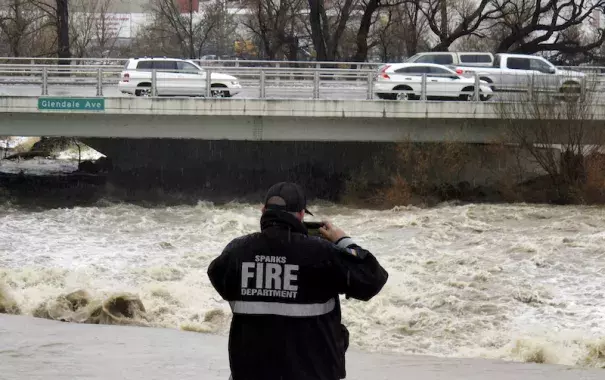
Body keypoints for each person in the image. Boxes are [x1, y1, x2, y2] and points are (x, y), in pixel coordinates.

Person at [207, 182, 389, 380]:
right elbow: (373, 277)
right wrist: (342, 240)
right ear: (302, 215)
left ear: (263, 211)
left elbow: (219, 277)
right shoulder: (322, 254)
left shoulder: (236, 253)